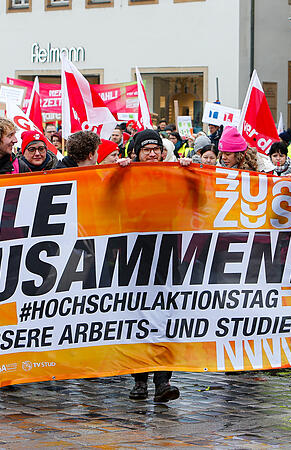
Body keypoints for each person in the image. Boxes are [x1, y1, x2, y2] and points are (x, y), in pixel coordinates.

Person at [127, 128, 190, 403]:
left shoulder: (174, 174)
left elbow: (197, 198)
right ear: (136, 153)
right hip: (134, 256)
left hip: (167, 255)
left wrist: (189, 172)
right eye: (146, 149)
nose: (152, 154)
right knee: (136, 317)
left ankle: (163, 380)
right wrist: (116, 174)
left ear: (163, 152)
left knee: (165, 316)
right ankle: (139, 380)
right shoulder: (125, 176)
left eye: (156, 149)